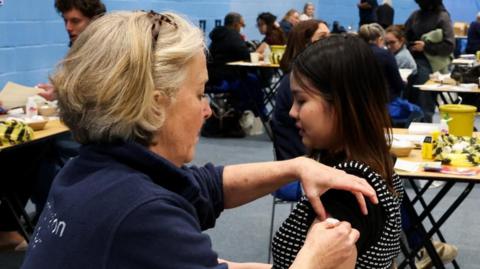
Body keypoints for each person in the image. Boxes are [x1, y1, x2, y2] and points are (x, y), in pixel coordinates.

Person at [21, 11, 379, 269]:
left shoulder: (85, 172)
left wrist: (297, 166)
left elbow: (204, 185)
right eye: (199, 94)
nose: (207, 111)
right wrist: (316, 263)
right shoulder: (141, 214)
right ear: (155, 105)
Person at [271, 34, 403, 269]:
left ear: (342, 104)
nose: (292, 112)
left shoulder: (347, 192)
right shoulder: (372, 164)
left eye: (301, 101)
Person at [404, 0, 454, 122]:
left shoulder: (442, 17)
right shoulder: (415, 16)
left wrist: (426, 47)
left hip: (430, 66)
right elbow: (405, 36)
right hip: (411, 62)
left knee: (424, 102)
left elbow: (449, 46)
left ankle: (423, 125)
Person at [359, 23, 404, 101]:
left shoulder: (353, 53)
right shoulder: (385, 54)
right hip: (382, 102)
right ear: (380, 39)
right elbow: (398, 85)